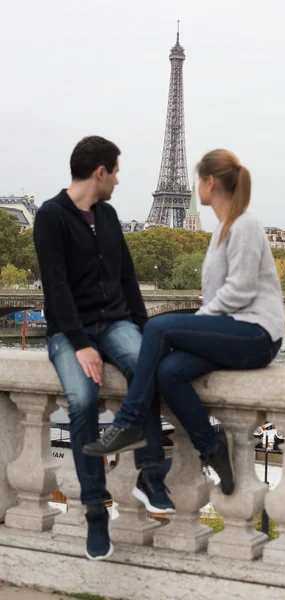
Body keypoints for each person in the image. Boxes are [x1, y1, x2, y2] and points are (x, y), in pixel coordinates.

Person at [83, 149, 285, 496]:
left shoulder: (245, 225)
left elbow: (241, 289)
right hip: (234, 332)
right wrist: (194, 330)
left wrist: (193, 324)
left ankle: (129, 422)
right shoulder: (223, 227)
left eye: (198, 180)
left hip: (257, 335)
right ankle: (211, 446)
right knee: (169, 373)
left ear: (208, 183)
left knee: (159, 327)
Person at [33, 136, 173, 562]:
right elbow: (55, 288)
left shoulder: (109, 216)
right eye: (115, 172)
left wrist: (146, 331)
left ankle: (149, 473)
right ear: (100, 172)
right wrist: (80, 344)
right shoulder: (51, 217)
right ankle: (95, 507)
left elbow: (128, 279)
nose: (118, 180)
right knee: (82, 400)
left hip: (114, 322)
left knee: (146, 365)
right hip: (70, 331)